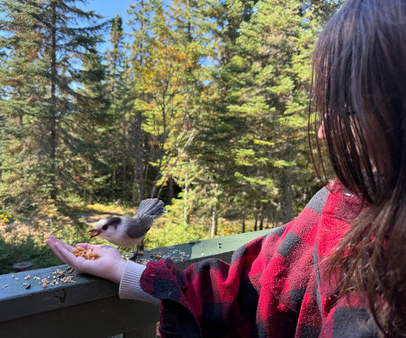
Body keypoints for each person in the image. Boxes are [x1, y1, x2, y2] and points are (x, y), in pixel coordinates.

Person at [46, 0, 406, 336]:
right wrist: (125, 270)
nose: (323, 131)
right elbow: (250, 287)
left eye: (348, 109)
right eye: (326, 109)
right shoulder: (337, 204)